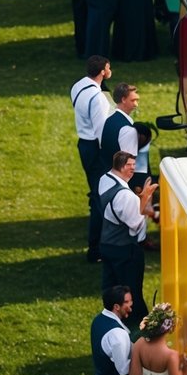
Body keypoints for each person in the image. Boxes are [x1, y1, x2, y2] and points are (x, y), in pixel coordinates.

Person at [98, 151, 156, 322]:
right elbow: (136, 224)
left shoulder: (105, 179)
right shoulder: (126, 196)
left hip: (107, 244)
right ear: (122, 167)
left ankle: (111, 317)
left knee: (110, 287)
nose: (133, 169)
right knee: (132, 293)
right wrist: (144, 200)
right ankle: (137, 323)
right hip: (125, 250)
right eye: (130, 166)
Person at [72, 55, 112, 263]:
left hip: (83, 144)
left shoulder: (78, 86)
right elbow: (100, 132)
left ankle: (96, 246)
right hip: (94, 148)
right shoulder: (98, 98)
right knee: (100, 198)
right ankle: (95, 248)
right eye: (109, 68)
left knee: (96, 193)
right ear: (104, 71)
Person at [100, 82, 140, 172]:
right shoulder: (128, 130)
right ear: (123, 100)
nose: (136, 104)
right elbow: (129, 165)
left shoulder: (109, 120)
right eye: (133, 100)